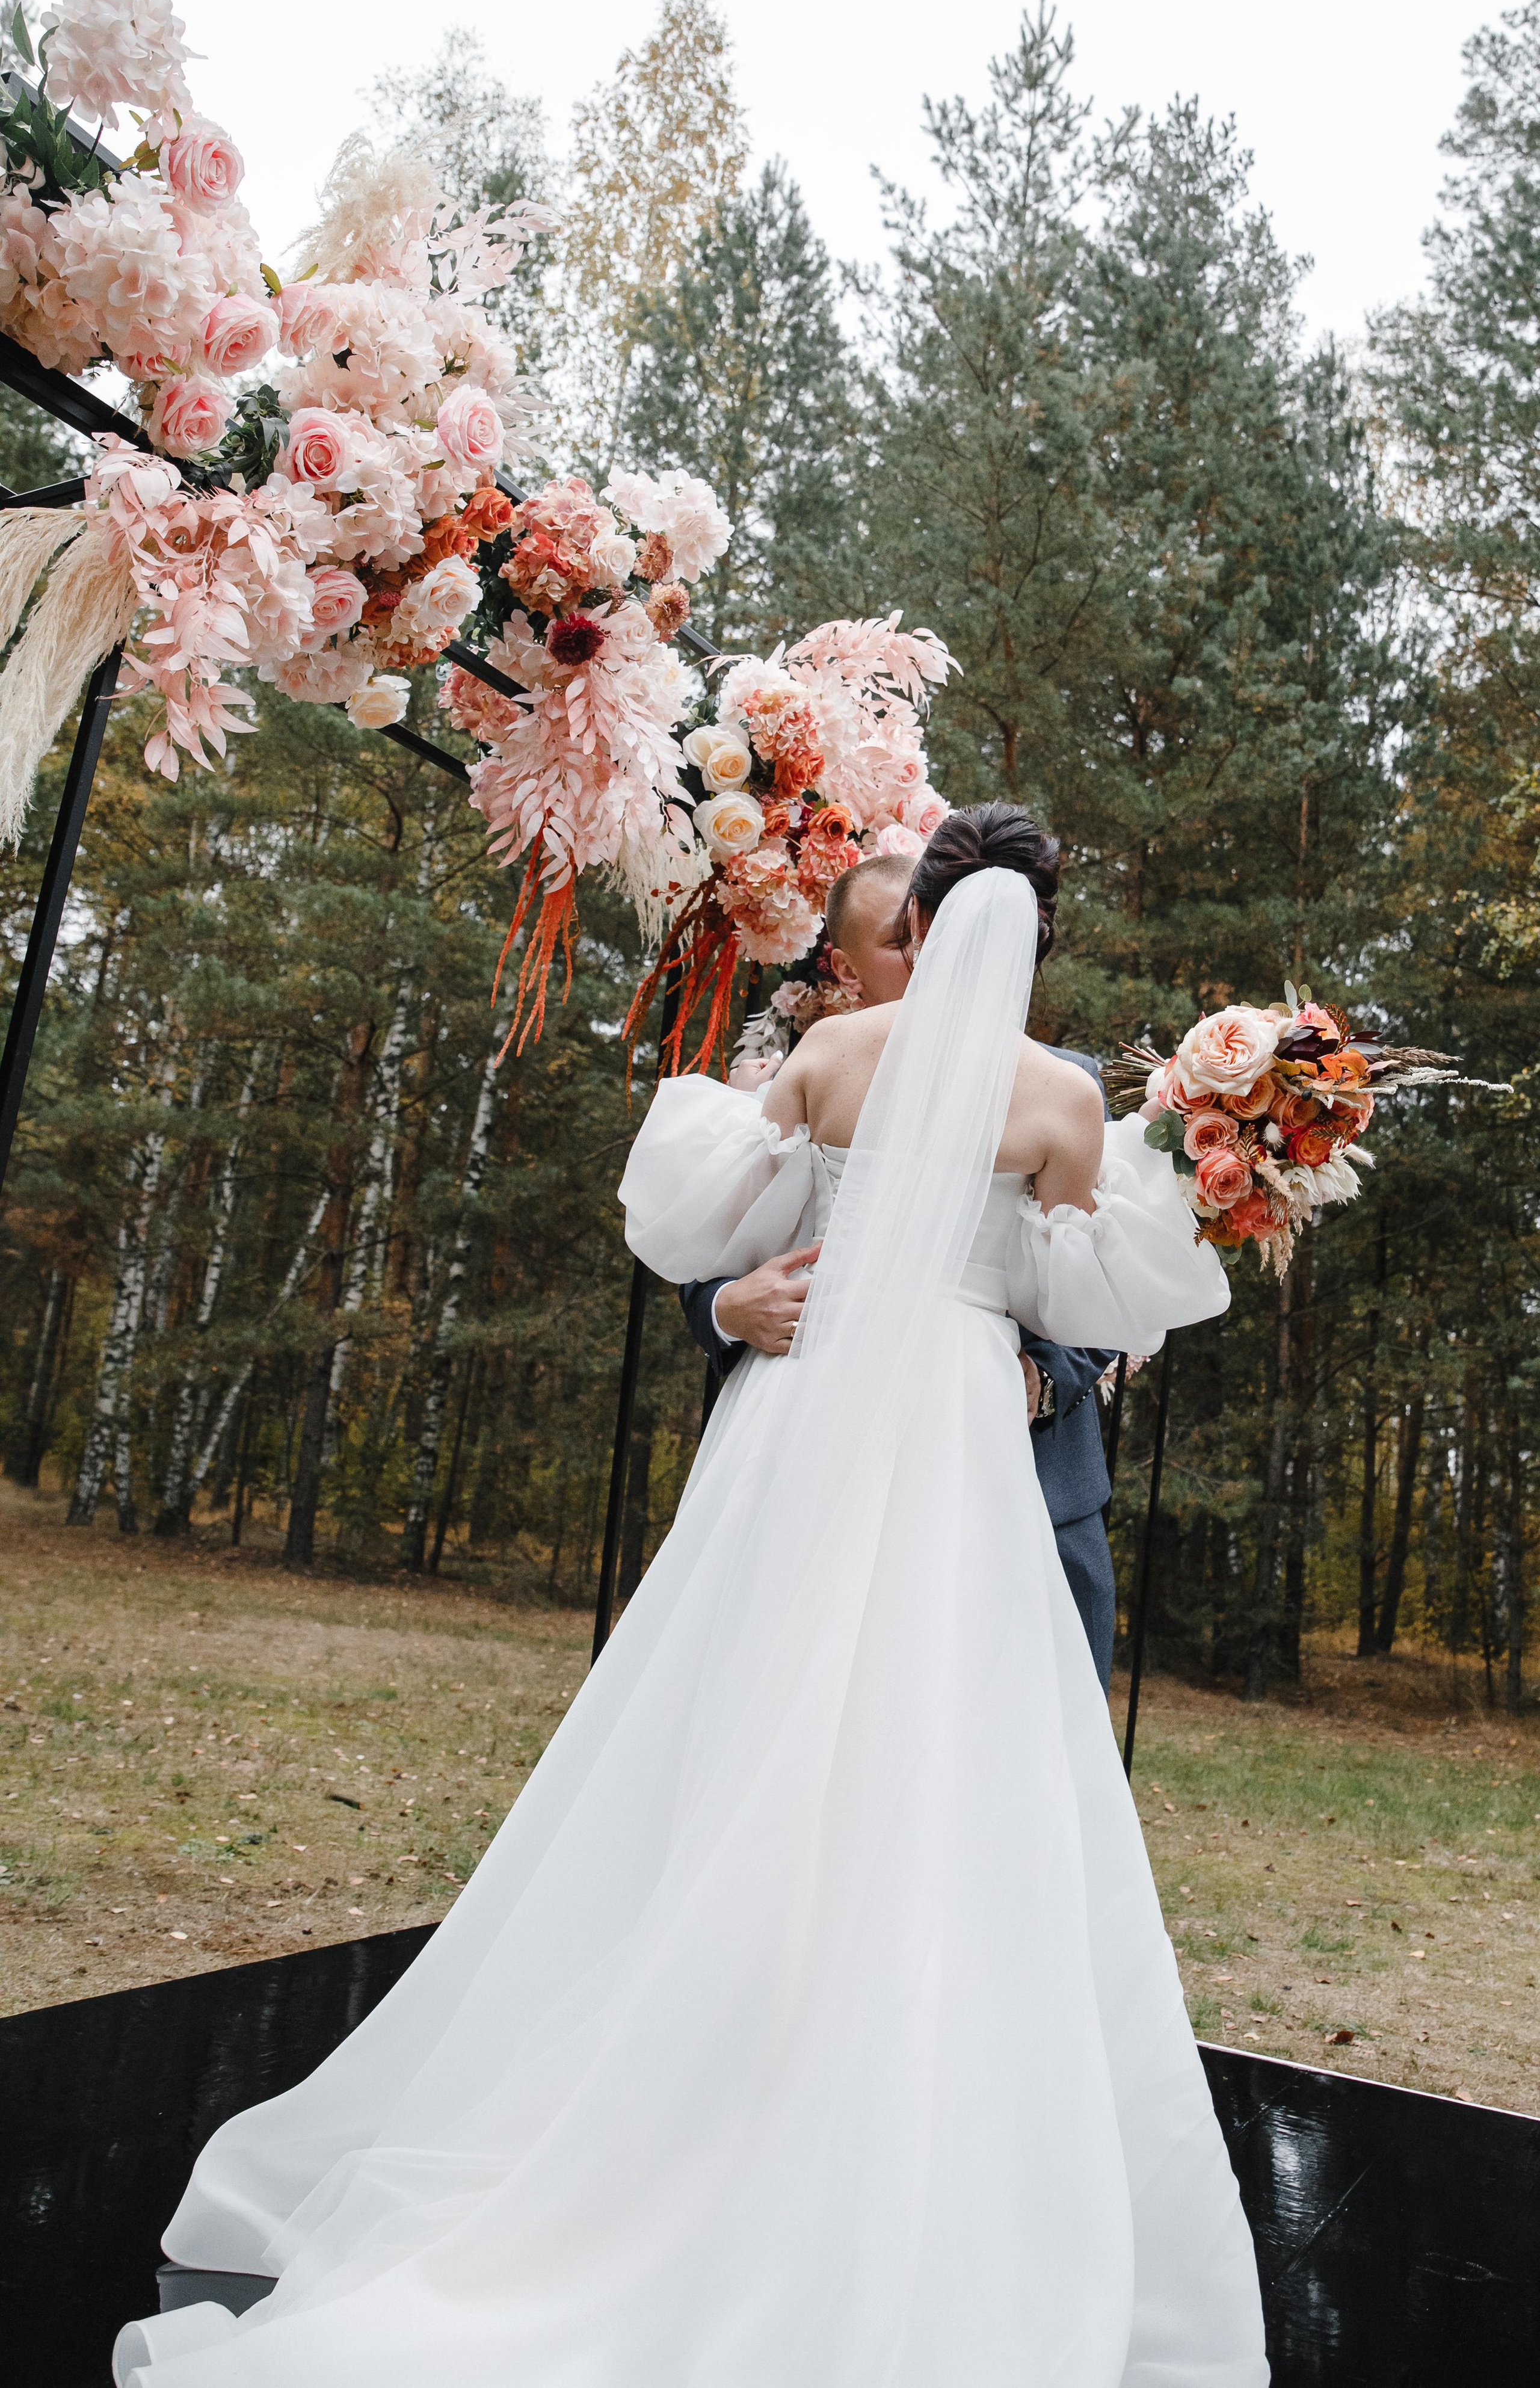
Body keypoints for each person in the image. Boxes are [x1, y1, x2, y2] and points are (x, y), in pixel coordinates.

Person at [112, 804, 1266, 2388]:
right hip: (948, 1420)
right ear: (1039, 940)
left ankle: (702, 2046)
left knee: (735, 1725)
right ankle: (895, 2090)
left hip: (803, 1411)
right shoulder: (1063, 1099)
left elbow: (693, 1218)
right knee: (938, 1763)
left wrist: (771, 1282)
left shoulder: (829, 1053)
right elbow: (1103, 1299)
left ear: (917, 925)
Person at [681, 849, 1124, 1688]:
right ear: (849, 965)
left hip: (1018, 1463)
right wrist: (729, 1306)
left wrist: (1043, 1377)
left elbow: (1085, 1309)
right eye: (889, 940)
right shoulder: (808, 1056)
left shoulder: (1070, 1085)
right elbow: (721, 1243)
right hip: (823, 1413)